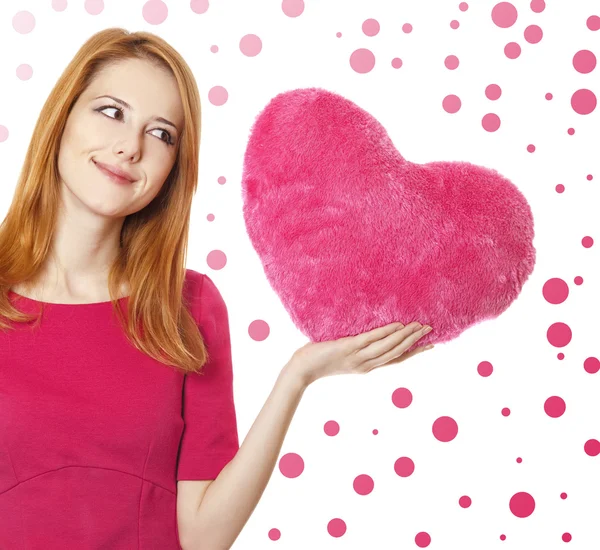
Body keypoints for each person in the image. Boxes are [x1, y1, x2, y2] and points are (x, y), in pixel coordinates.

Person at [0, 28, 434, 550]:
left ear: (172, 170)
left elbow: (203, 537)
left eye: (161, 134)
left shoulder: (187, 308)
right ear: (61, 118)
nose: (129, 146)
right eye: (111, 111)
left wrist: (298, 375)